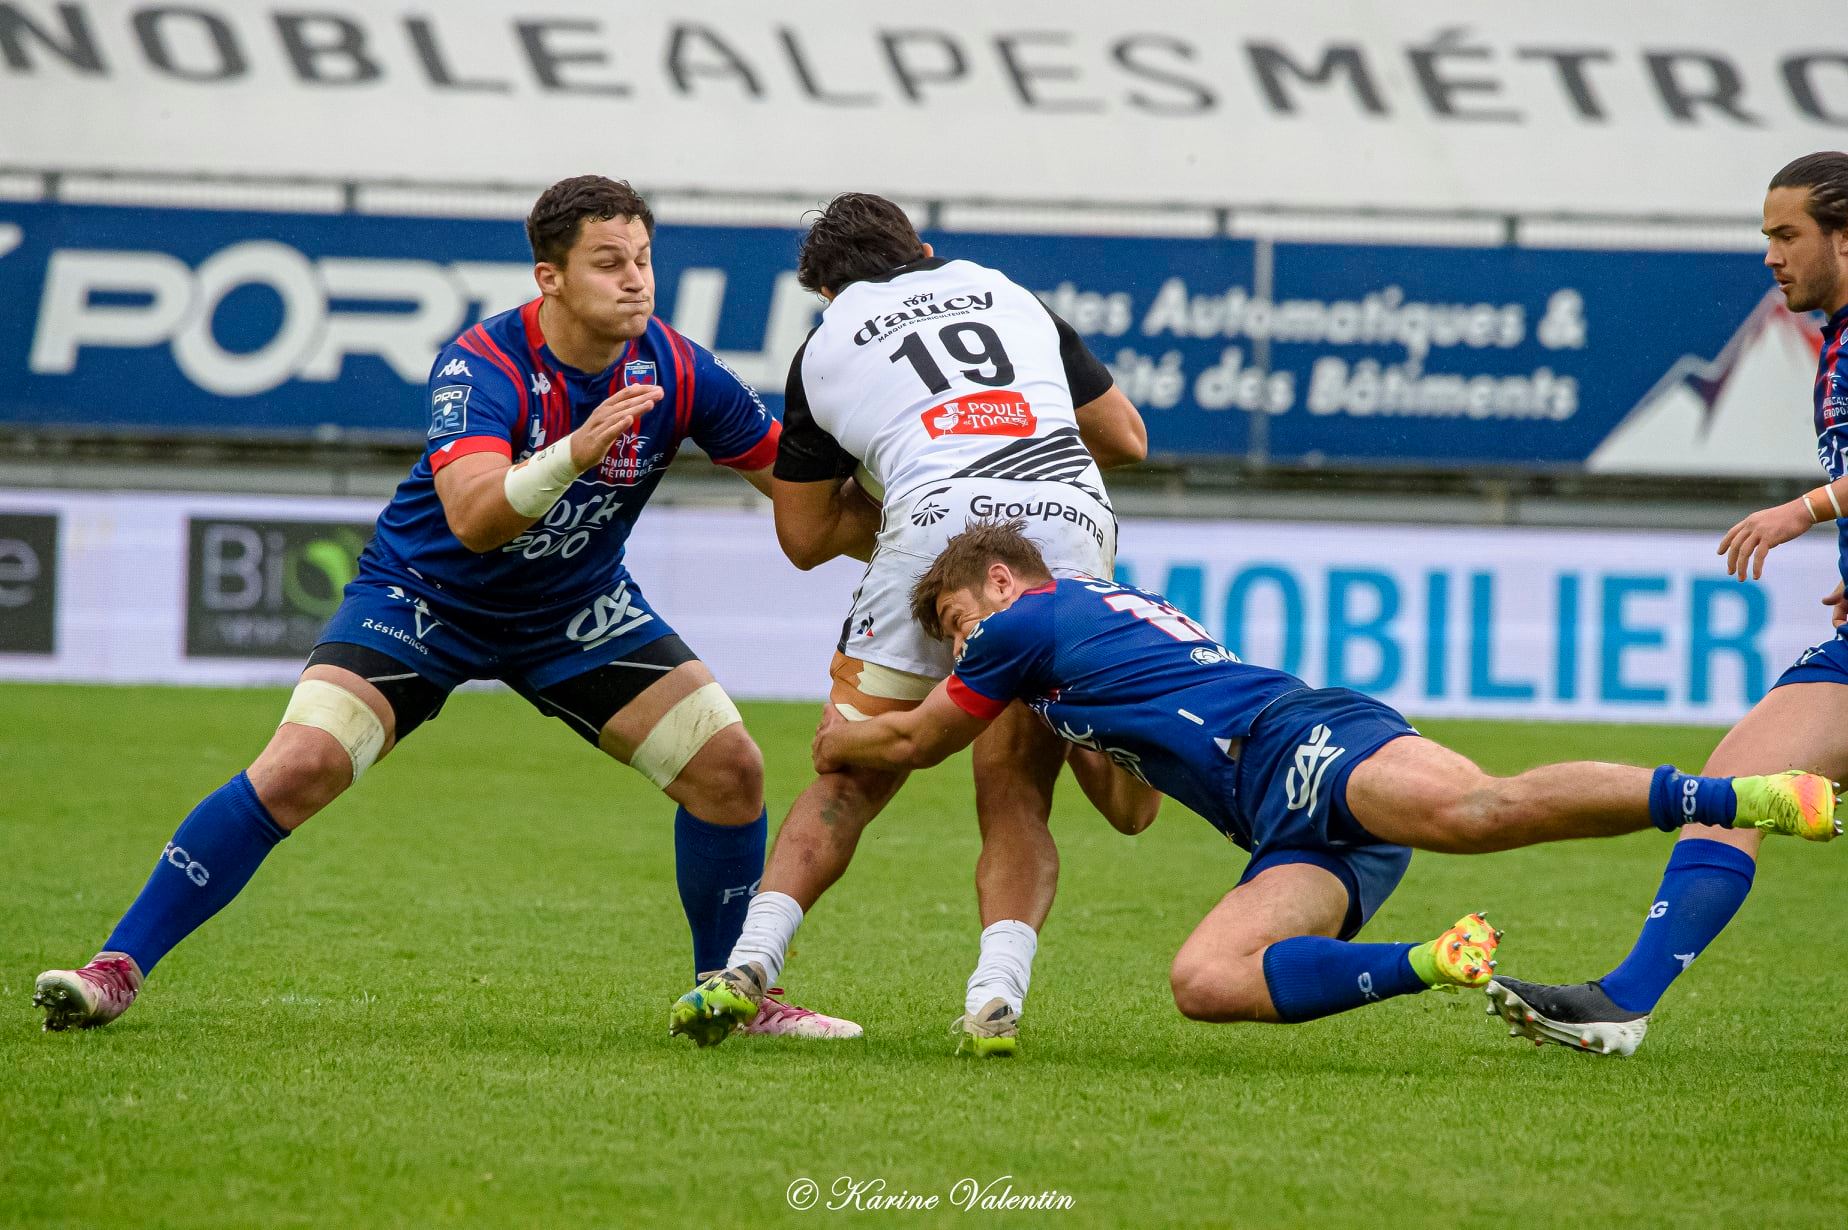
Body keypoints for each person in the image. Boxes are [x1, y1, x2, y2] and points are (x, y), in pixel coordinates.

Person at [33, 175, 858, 1040]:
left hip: (572, 610)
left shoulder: (681, 366)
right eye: (609, 263)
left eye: (645, 260)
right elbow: (471, 518)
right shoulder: (484, 363)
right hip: (424, 599)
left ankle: (732, 996)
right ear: (550, 278)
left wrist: (927, 519)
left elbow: (799, 494)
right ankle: (115, 969)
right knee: (298, 767)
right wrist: (574, 451)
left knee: (731, 772)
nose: (637, 281)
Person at [801, 519, 1833, 1038]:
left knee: (1478, 809)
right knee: (1204, 984)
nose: (962, 639)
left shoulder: (1030, 617)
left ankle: (1741, 798)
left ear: (998, 579)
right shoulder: (1065, 652)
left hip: (1294, 741)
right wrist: (1075, 733)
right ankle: (1436, 960)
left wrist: (839, 735)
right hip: (1279, 818)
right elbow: (1131, 815)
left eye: (955, 620)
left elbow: (912, 746)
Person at [670, 193, 1148, 1054]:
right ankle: (995, 996)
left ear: (824, 290)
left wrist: (911, 494)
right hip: (1067, 517)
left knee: (847, 773)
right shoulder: (1008, 293)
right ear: (923, 249)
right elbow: (1125, 437)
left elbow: (806, 535)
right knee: (1014, 791)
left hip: (929, 519)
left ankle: (745, 965)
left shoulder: (827, 342)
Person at [1486, 150, 1848, 1055]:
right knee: (1731, 794)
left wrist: (1801, 510)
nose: (1771, 254)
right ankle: (1622, 1003)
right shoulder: (1834, 340)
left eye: (1787, 234)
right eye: (1766, 235)